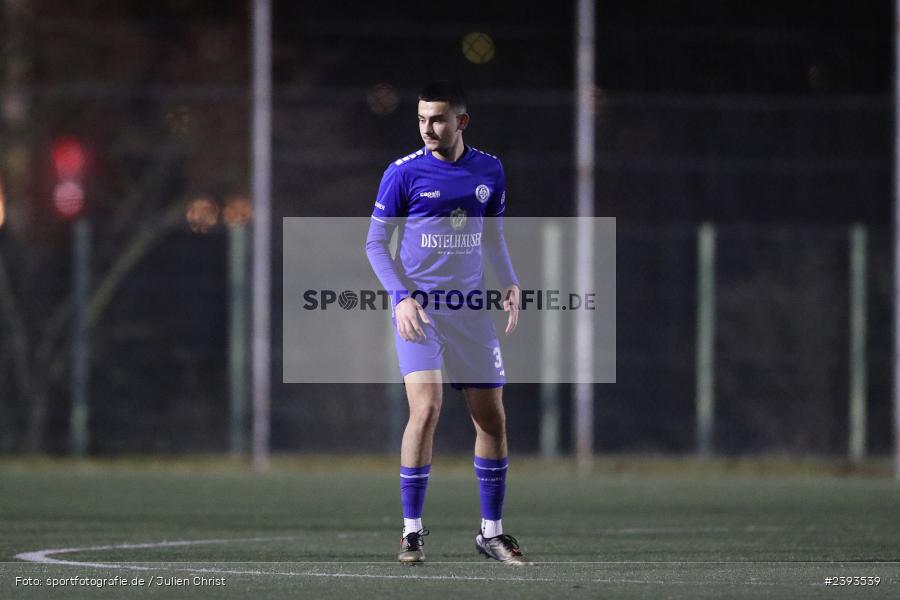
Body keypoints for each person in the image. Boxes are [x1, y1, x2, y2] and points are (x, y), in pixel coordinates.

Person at [365, 81, 529, 566]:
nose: (428, 129)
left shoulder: (490, 169)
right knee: (427, 408)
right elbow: (375, 244)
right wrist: (401, 299)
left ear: (462, 121)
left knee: (492, 419)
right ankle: (411, 532)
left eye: (437, 119)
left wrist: (510, 282)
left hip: (471, 313)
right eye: (421, 119)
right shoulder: (402, 174)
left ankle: (491, 534)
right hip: (421, 313)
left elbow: (494, 237)